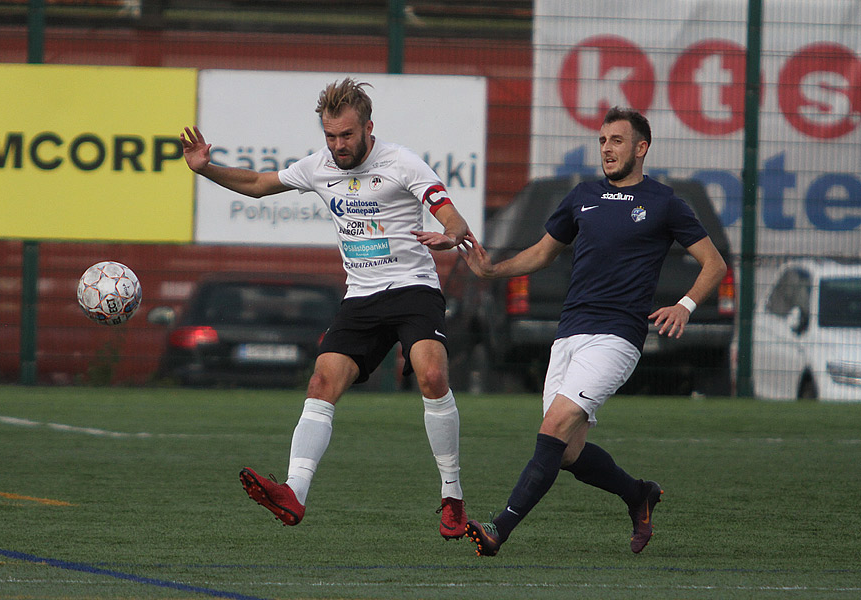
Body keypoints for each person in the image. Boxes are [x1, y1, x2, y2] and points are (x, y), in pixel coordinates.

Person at [180, 78, 470, 540]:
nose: (338, 145)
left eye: (347, 136)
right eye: (330, 136)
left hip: (413, 288)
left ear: (368, 128)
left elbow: (448, 211)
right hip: (361, 296)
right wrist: (205, 168)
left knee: (432, 376)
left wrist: (451, 233)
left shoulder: (402, 163)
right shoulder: (319, 166)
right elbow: (258, 184)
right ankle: (294, 492)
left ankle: (452, 498)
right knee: (321, 382)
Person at [458, 106, 727, 556]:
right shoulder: (582, 196)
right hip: (568, 335)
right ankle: (637, 493)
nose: (606, 148)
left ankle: (498, 530)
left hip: (617, 337)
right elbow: (544, 253)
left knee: (554, 425)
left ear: (641, 148)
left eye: (617, 141)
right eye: (602, 141)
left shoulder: (665, 203)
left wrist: (685, 305)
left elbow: (714, 264)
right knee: (565, 451)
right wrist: (492, 270)